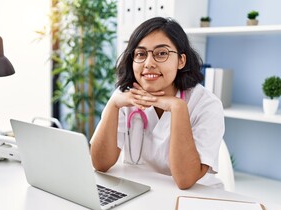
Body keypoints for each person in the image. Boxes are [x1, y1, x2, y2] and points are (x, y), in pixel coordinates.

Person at [90, 17, 224, 190]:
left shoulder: (206, 104)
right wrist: (113, 104)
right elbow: (100, 164)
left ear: (181, 61)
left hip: (196, 199)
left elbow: (185, 180)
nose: (149, 63)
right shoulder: (125, 97)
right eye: (140, 54)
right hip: (142, 192)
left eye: (162, 53)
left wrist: (177, 107)